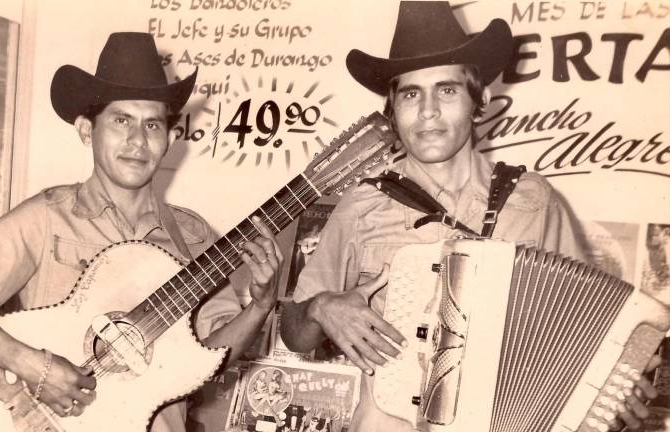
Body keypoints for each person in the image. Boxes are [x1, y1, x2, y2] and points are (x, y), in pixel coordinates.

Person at [279, 2, 657, 431]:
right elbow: (294, 332)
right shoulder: (361, 205)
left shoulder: (534, 200)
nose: (427, 110)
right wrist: (320, 308)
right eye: (410, 94)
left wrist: (612, 386)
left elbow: (589, 326)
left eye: (447, 90)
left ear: (480, 101)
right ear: (392, 110)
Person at [0, 32, 283, 431]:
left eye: (152, 124)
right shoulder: (48, 216)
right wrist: (33, 365)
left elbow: (212, 357)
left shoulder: (194, 236)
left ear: (168, 139)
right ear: (86, 130)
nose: (137, 140)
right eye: (121, 120)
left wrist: (260, 306)